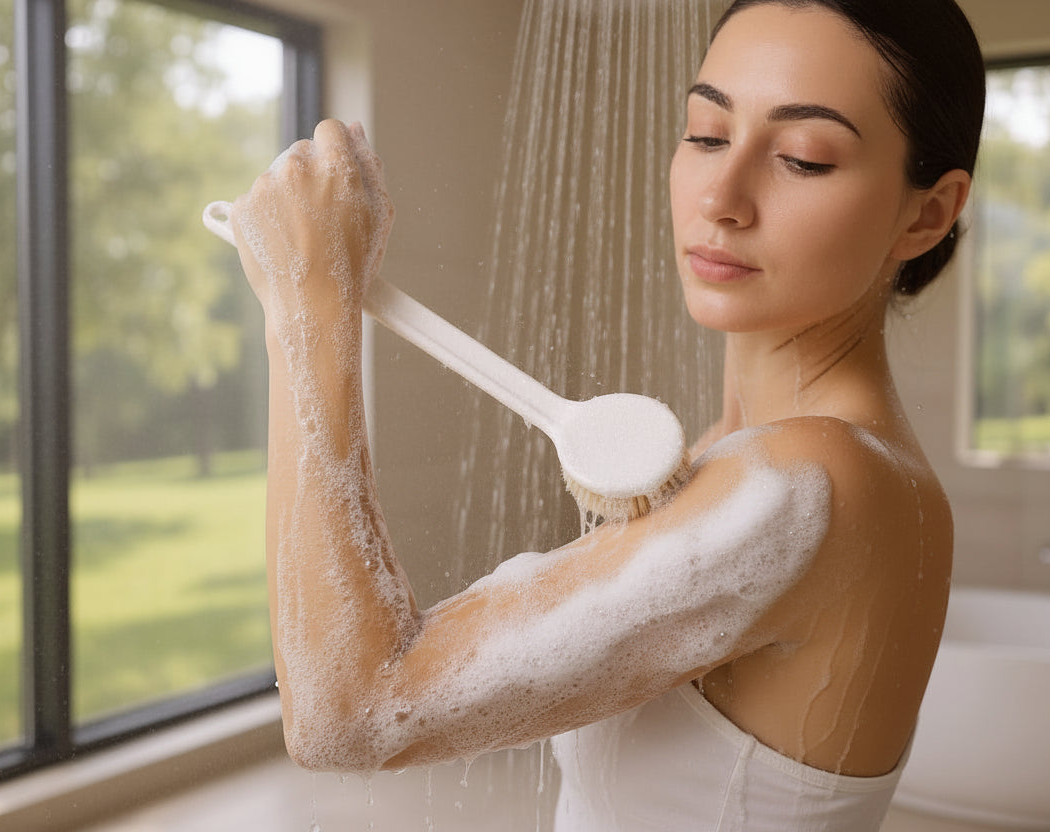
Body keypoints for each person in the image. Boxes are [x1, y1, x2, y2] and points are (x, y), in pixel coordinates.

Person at [228, 0, 984, 828]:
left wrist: (309, 306)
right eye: (705, 133)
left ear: (927, 213)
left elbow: (351, 713)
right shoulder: (785, 459)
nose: (723, 196)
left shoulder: (815, 483)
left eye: (803, 158)